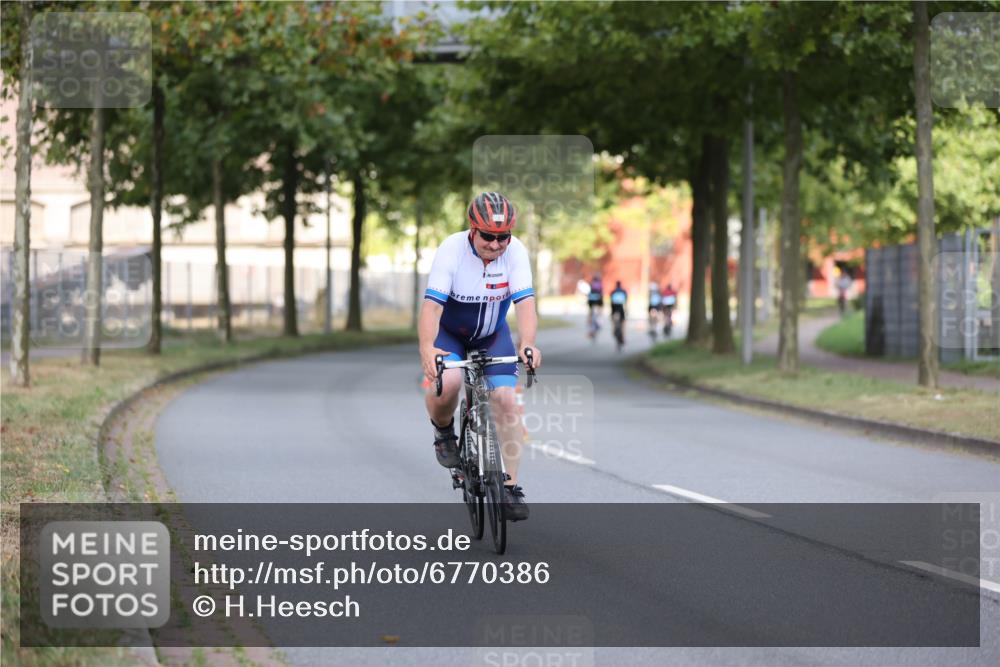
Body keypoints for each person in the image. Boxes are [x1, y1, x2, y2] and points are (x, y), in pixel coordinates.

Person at [418, 192, 542, 521]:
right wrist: (427, 348)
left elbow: (525, 305)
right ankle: (444, 432)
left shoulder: (515, 252)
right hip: (450, 334)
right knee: (449, 383)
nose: (495, 244)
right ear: (473, 230)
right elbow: (432, 307)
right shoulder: (452, 249)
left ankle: (511, 488)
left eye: (503, 237)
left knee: (506, 401)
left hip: (492, 334)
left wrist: (528, 343)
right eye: (488, 236)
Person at [609, 281, 628, 348]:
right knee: (623, 323)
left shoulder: (613, 292)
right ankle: (623, 337)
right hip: (621, 309)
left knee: (613, 321)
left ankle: (613, 330)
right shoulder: (623, 291)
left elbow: (611, 302)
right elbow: (626, 302)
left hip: (614, 309)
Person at [586, 273, 603, 338]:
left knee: (590, 312)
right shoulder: (600, 284)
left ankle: (589, 321)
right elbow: (601, 292)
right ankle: (599, 321)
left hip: (591, 299)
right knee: (599, 310)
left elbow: (589, 293)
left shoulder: (591, 284)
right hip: (598, 299)